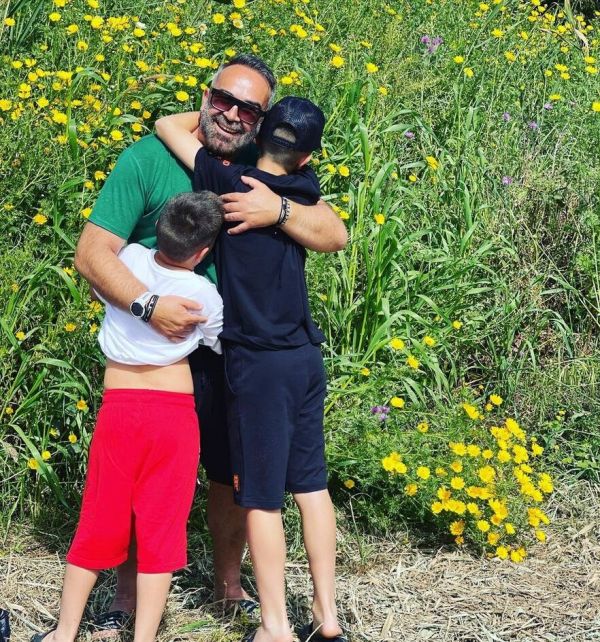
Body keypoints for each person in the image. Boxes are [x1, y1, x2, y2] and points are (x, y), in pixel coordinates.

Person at [73, 54, 347, 636]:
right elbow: (92, 253)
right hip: (159, 348)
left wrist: (277, 210)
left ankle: (229, 585)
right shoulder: (148, 161)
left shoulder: (258, 166)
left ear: (264, 121)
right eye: (222, 99)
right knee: (139, 473)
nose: (232, 114)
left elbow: (332, 231)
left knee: (233, 472)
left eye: (248, 108)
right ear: (204, 96)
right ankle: (126, 595)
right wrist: (148, 306)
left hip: (236, 349)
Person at [155, 97, 347, 642]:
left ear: (259, 134)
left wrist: (222, 111)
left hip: (256, 364)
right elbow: (332, 230)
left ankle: (274, 625)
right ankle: (327, 615)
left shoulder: (228, 181)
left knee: (261, 497)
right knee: (311, 487)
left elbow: (167, 125)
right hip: (304, 357)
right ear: (307, 157)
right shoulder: (302, 190)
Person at [32, 191, 224, 642]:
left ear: (158, 230)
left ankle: (64, 632)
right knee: (161, 527)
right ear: (202, 253)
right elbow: (217, 340)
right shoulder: (204, 294)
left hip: (119, 409)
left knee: (99, 518)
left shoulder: (131, 258)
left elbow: (100, 281)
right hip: (174, 417)